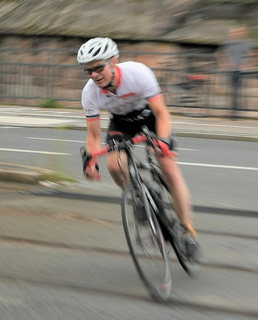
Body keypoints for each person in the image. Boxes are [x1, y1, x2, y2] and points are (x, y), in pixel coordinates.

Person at [77, 37, 198, 257]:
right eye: (88, 71)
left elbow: (162, 113)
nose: (94, 75)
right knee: (115, 166)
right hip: (122, 122)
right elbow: (93, 135)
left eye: (98, 68)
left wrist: (161, 142)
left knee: (168, 168)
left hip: (151, 118)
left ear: (114, 61)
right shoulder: (89, 93)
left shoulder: (138, 73)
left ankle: (188, 231)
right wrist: (91, 161)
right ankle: (139, 196)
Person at [215, 25, 258, 118]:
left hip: (242, 71)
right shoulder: (228, 43)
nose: (235, 34)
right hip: (231, 70)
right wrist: (223, 64)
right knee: (232, 91)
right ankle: (232, 112)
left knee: (238, 92)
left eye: (239, 32)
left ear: (244, 33)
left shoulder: (248, 42)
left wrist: (250, 64)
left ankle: (235, 112)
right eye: (233, 33)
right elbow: (219, 53)